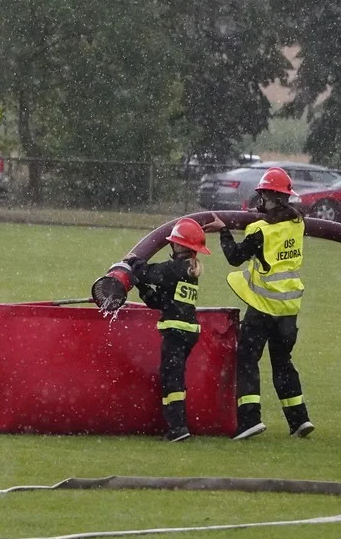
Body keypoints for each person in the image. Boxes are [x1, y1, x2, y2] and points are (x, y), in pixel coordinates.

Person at [204, 167, 314, 440]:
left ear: (268, 196)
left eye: (262, 195)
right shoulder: (297, 223)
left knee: (247, 360)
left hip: (264, 306)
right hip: (289, 308)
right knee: (283, 362)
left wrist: (224, 231)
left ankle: (250, 419)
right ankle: (299, 419)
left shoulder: (259, 229)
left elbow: (234, 257)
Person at [128, 217, 209, 442]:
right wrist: (141, 286)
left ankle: (177, 428)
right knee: (174, 378)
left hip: (176, 332)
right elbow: (158, 301)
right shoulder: (187, 270)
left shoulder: (176, 268)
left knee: (171, 380)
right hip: (187, 332)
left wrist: (135, 263)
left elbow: (151, 272)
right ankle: (178, 425)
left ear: (180, 246)